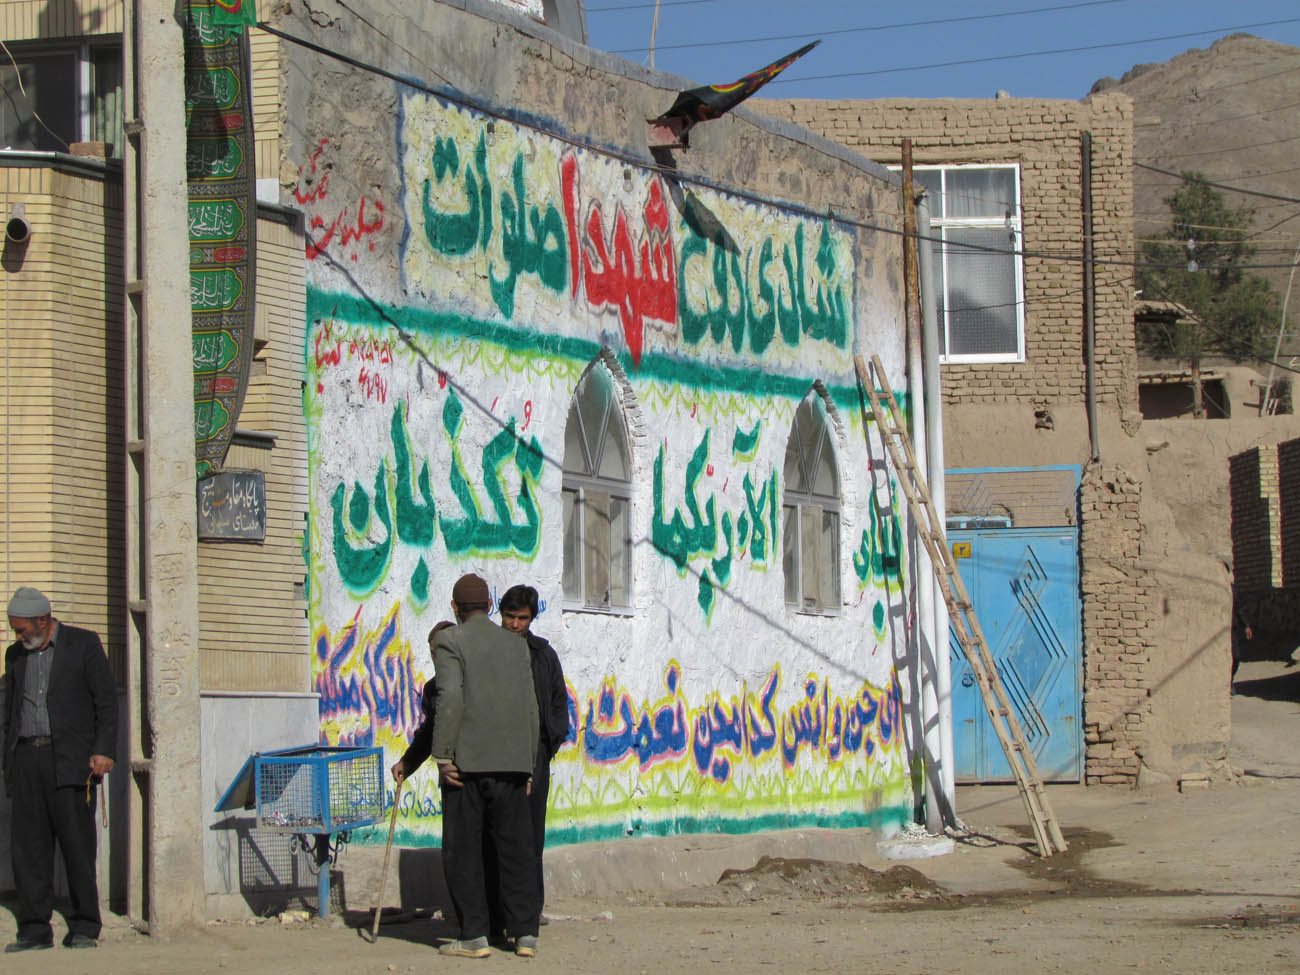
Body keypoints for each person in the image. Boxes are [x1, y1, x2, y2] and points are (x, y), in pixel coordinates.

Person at [429, 574, 540, 958]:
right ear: (491, 606)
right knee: (516, 851)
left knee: (464, 852)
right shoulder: (516, 645)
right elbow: (530, 708)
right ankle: (525, 935)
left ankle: (474, 935)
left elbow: (450, 697)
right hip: (513, 766)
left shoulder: (450, 641)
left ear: (455, 608)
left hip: (467, 767)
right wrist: (528, 765)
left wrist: (443, 756)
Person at [2, 587, 117, 952]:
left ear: (43, 620)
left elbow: (106, 702)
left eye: (22, 629)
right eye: (15, 630)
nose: (18, 636)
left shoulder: (83, 644)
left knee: (76, 845)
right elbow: (9, 710)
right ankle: (34, 930)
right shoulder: (15, 655)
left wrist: (103, 750)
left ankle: (84, 926)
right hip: (27, 760)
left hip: (70, 760)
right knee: (29, 850)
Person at [497, 585, 568, 924]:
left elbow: (558, 702)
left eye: (522, 618)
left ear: (532, 618)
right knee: (498, 831)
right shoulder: (491, 650)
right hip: (496, 753)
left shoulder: (543, 654)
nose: (514, 624)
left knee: (531, 832)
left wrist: (547, 745)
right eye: (509, 617)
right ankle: (498, 909)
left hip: (535, 754)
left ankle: (530, 908)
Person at [392, 621, 456, 789]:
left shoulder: (479, 683)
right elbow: (429, 734)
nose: (437, 659)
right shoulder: (432, 689)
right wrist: (407, 763)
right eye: (433, 653)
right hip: (452, 779)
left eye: (442, 652)